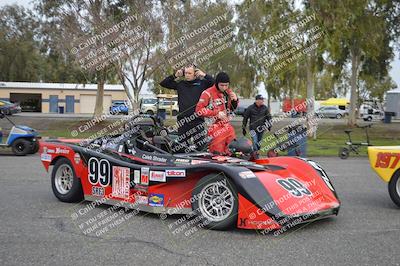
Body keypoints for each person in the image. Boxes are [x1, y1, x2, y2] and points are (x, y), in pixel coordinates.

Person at [159, 64, 214, 152]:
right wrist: (175, 75)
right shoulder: (181, 84)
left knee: (201, 147)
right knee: (182, 148)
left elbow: (215, 84)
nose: (187, 75)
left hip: (197, 120)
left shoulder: (202, 83)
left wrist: (204, 75)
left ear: (195, 73)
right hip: (183, 121)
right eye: (186, 73)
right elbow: (163, 83)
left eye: (189, 73)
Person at [195, 72, 238, 155]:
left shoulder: (228, 93)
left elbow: (231, 109)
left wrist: (235, 101)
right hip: (213, 127)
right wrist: (216, 114)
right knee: (217, 152)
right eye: (222, 85)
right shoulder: (207, 93)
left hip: (227, 126)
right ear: (217, 83)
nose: (224, 87)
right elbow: (198, 110)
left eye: (226, 85)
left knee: (233, 150)